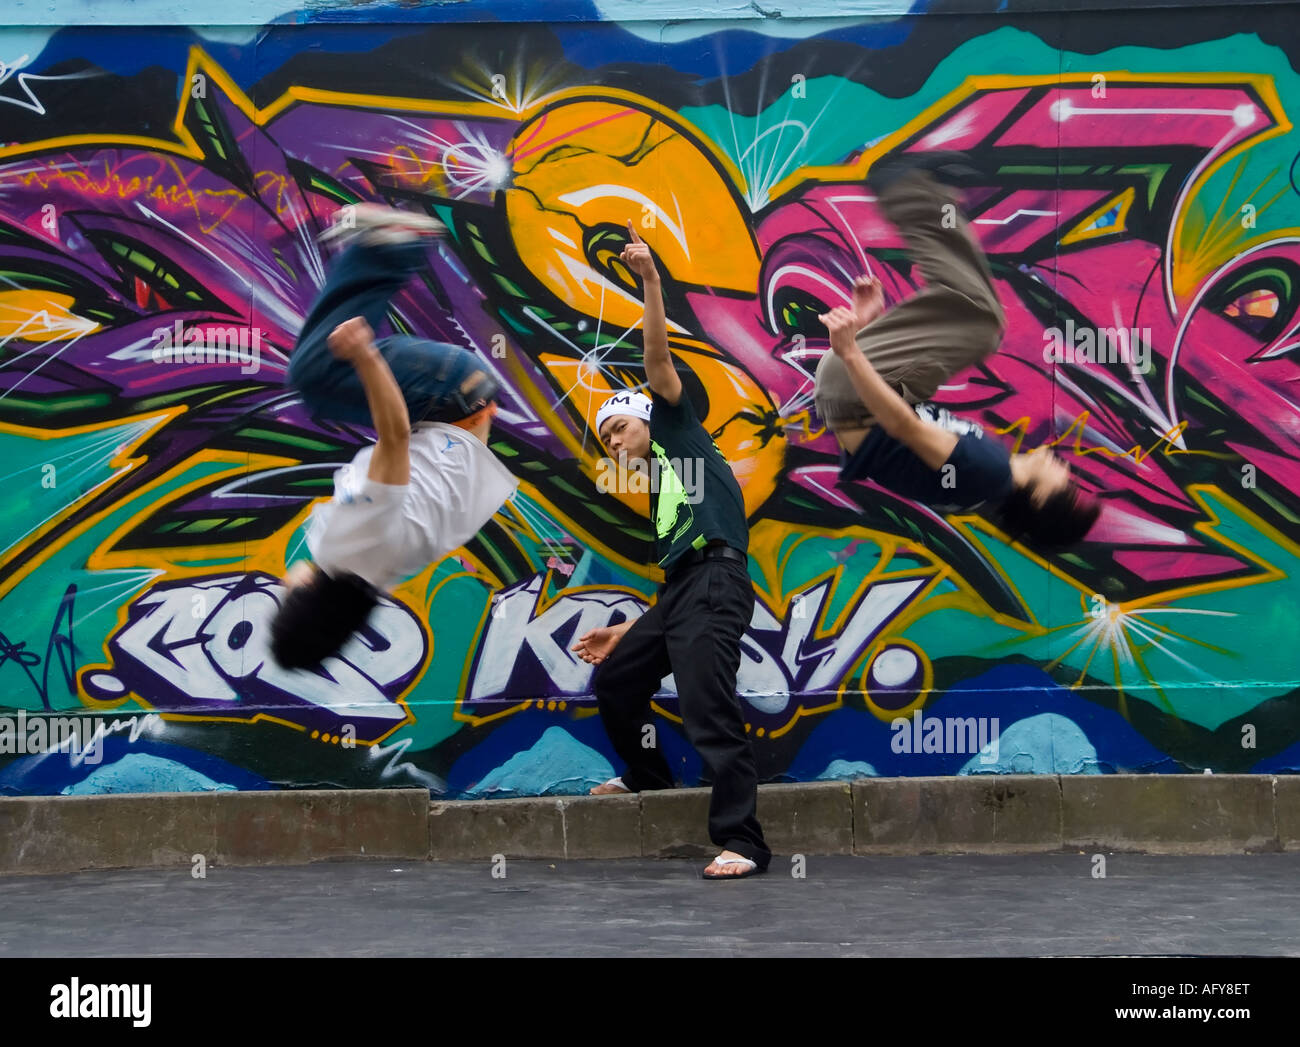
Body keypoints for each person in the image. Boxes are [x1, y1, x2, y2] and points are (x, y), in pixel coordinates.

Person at [571, 223, 771, 881]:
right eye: (605, 435)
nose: (613, 440)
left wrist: (650, 279)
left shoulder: (678, 429)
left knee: (707, 705)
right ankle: (648, 777)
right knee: (619, 676)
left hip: (717, 581)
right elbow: (684, 574)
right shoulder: (668, 482)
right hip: (690, 585)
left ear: (649, 417)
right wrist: (633, 629)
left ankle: (743, 839)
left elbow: (657, 361)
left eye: (619, 425)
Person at [269, 204, 517, 670]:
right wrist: (364, 356)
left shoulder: (376, 577)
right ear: (305, 602)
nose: (281, 586)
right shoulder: (350, 549)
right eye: (285, 600)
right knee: (314, 374)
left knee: (320, 392)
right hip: (451, 395)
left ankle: (385, 249)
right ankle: (392, 245)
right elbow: (396, 436)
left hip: (464, 410)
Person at [813, 155, 1100, 548]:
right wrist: (868, 327)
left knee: (979, 322)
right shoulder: (988, 473)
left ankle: (909, 190)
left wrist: (851, 354)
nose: (1066, 472)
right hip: (858, 392)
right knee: (980, 323)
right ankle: (928, 197)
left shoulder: (985, 472)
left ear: (1038, 498)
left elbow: (903, 427)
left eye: (1066, 487)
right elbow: (895, 441)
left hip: (852, 393)